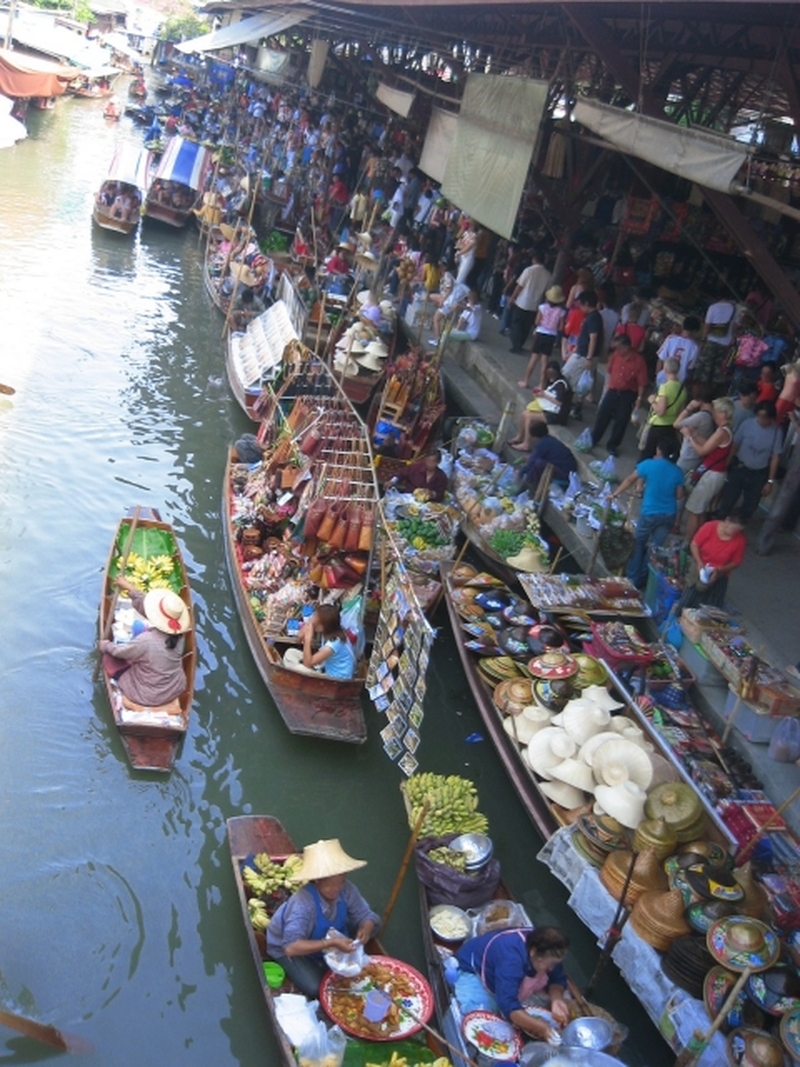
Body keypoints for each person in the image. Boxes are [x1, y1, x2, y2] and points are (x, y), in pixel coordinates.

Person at [266, 838, 380, 997]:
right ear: (318, 881)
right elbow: (291, 947)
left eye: (341, 882)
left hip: (324, 934)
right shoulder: (303, 903)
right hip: (286, 946)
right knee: (315, 988)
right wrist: (331, 943)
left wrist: (365, 929)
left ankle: (338, 951)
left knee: (375, 925)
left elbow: (367, 916)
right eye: (331, 884)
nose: (337, 889)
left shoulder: (346, 889)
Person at [455, 926, 571, 1041]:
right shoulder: (510, 961)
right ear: (533, 952)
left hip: (507, 969)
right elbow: (508, 1005)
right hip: (472, 970)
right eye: (549, 964)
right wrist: (542, 1028)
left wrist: (557, 999)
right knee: (482, 1016)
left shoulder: (545, 951)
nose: (552, 968)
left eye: (555, 964)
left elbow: (557, 977)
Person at [98, 577, 190, 707]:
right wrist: (129, 588)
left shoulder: (146, 641)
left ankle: (134, 704)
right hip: (173, 688)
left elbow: (120, 652)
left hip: (146, 694)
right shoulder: (180, 636)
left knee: (109, 659)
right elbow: (146, 608)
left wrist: (105, 645)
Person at [610, 434, 684, 588]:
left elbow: (630, 479)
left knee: (637, 544)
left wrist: (615, 494)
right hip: (669, 514)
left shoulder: (648, 465)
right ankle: (643, 578)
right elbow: (679, 496)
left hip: (650, 512)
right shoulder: (678, 471)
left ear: (659, 450)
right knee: (654, 548)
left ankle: (632, 579)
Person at [577, 334, 647, 456]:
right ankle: (594, 438)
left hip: (628, 393)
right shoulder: (616, 356)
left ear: (627, 347)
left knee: (621, 420)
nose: (617, 351)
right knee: (603, 415)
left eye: (620, 348)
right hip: (613, 390)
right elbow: (609, 371)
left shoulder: (638, 361)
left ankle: (613, 445)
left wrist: (639, 398)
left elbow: (642, 382)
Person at [716, 401, 782, 524]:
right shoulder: (747, 424)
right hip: (740, 467)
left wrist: (770, 481)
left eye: (764, 418)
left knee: (750, 505)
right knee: (728, 500)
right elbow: (735, 445)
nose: (761, 420)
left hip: (759, 473)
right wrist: (727, 463)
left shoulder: (776, 432)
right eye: (759, 416)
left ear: (771, 418)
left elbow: (775, 457)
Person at [681, 397, 735, 543]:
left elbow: (703, 451)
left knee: (694, 510)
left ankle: (688, 542)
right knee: (701, 510)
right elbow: (710, 446)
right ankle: (698, 540)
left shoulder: (722, 432)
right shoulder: (725, 430)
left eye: (716, 411)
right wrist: (695, 434)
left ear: (723, 414)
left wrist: (689, 438)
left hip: (712, 474)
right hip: (715, 473)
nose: (713, 414)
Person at [677, 511, 747, 612]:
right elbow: (694, 544)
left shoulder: (740, 540)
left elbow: (736, 562)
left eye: (736, 532)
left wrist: (720, 570)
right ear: (727, 520)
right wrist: (699, 562)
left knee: (712, 606)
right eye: (730, 529)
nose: (732, 534)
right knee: (687, 600)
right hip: (700, 566)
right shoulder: (709, 527)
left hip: (720, 573)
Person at [510, 362, 572, 449]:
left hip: (557, 414)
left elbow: (559, 402)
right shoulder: (551, 381)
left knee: (529, 416)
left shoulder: (561, 385)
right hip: (549, 408)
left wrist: (544, 395)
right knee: (524, 413)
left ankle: (526, 443)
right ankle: (519, 436)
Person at [284, 604, 356, 680]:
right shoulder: (332, 631)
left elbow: (307, 664)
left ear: (323, 626)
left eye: (315, 618)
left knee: (300, 669)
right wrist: (309, 624)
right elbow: (299, 636)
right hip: (324, 667)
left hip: (335, 680)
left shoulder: (334, 644)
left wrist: (307, 639)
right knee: (290, 652)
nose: (313, 619)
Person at [562, 291, 603, 418]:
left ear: (586, 304)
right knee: (581, 382)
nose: (579, 307)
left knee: (566, 375)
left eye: (581, 304)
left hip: (584, 355)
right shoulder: (595, 317)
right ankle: (577, 407)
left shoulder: (592, 318)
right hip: (585, 353)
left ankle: (564, 403)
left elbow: (593, 338)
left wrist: (589, 357)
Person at [518, 286, 566, 390]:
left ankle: (526, 381)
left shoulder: (542, 307)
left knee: (533, 359)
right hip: (551, 336)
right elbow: (561, 327)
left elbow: (537, 322)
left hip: (540, 333)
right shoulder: (561, 312)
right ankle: (542, 384)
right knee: (544, 362)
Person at [640, 357, 687, 459]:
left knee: (647, 453)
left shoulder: (665, 387)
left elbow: (661, 411)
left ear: (665, 369)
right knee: (661, 454)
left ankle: (640, 472)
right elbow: (681, 411)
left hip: (659, 424)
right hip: (671, 425)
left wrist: (652, 401)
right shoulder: (682, 389)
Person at [508, 248, 552, 355]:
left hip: (522, 302)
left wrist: (513, 297)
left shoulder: (529, 271)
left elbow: (520, 286)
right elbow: (546, 292)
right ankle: (520, 344)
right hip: (535, 305)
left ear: (534, 259)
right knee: (526, 327)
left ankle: (516, 345)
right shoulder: (547, 275)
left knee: (516, 324)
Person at [695, 292, 738, 387]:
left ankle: (701, 388)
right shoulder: (735, 309)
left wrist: (703, 340)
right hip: (725, 343)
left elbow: (707, 326)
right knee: (718, 369)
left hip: (711, 341)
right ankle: (712, 390)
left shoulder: (713, 307)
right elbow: (735, 327)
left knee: (705, 367)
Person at [517, 423, 577, 492]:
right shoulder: (549, 440)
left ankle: (529, 486)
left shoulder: (542, 444)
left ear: (535, 437)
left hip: (566, 473)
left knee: (538, 464)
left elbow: (532, 462)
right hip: (567, 468)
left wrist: (521, 473)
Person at [655, 316, 701, 385]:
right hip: (678, 382)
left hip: (663, 377)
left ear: (683, 326)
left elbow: (661, 359)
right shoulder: (695, 347)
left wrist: (657, 374)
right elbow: (690, 369)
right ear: (694, 331)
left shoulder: (671, 338)